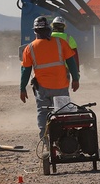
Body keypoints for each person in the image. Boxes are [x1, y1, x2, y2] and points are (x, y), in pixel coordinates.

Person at [20, 16, 79, 147]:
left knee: (43, 113)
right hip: (61, 86)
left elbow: (26, 71)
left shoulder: (29, 48)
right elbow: (72, 62)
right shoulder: (60, 43)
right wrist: (76, 78)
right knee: (63, 114)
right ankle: (67, 141)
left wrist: (22, 88)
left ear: (35, 31)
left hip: (43, 89)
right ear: (48, 29)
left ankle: (46, 141)